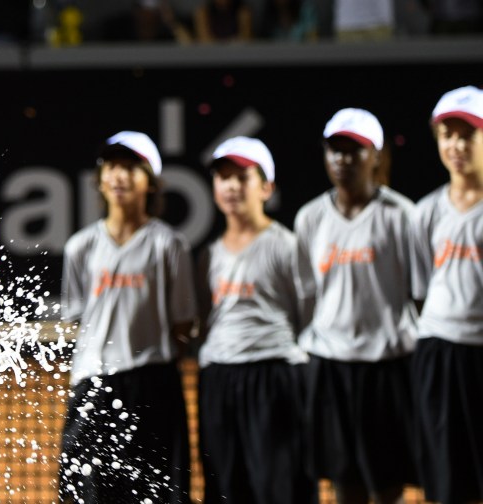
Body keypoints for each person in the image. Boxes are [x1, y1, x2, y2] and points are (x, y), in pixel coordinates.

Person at [58, 131, 196, 503]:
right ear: (101, 179)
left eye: (131, 168)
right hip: (93, 386)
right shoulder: (80, 247)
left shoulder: (170, 245)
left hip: (153, 388)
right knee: (87, 494)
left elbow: (183, 324)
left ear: (150, 182)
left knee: (156, 493)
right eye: (113, 167)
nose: (119, 176)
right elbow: (78, 318)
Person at [294, 108, 418, 504]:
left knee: (388, 484)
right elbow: (306, 296)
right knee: (343, 480)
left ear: (376, 155)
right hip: (329, 365)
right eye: (335, 150)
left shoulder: (402, 216)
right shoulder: (310, 218)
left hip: (387, 366)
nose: (342, 159)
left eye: (354, 150)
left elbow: (420, 293)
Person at [195, 136, 318, 504]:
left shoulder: (288, 245)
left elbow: (307, 314)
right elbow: (205, 318)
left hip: (275, 379)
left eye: (242, 177)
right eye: (223, 177)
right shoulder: (207, 255)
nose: (231, 186)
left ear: (266, 187)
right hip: (219, 380)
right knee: (226, 488)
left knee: (278, 487)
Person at [410, 85, 483, 504]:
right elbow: (422, 288)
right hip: (438, 354)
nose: (455, 145)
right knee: (445, 477)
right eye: (446, 134)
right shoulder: (426, 212)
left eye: (466, 134)